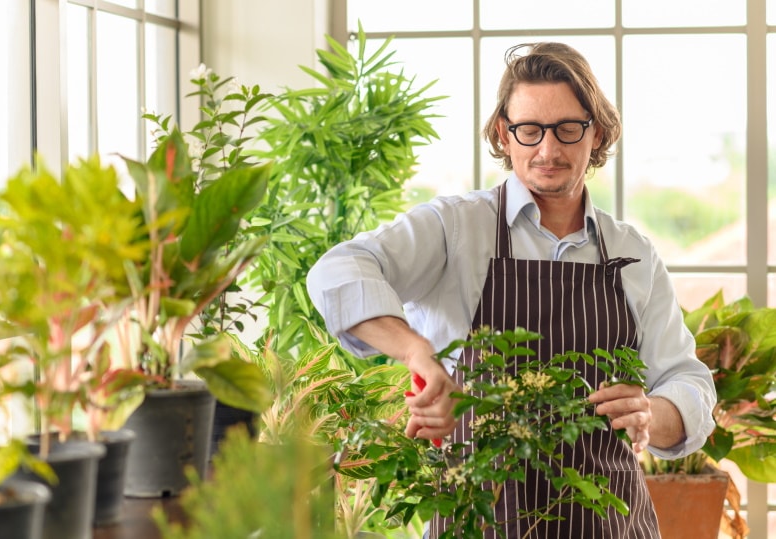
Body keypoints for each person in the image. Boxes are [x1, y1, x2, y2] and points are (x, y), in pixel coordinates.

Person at [306, 42, 716, 538]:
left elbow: (689, 382)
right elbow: (338, 270)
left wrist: (654, 412)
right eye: (529, 130)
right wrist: (418, 353)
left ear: (597, 132)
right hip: (480, 523)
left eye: (568, 128)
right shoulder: (456, 228)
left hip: (611, 523)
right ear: (505, 132)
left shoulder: (633, 253)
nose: (548, 149)